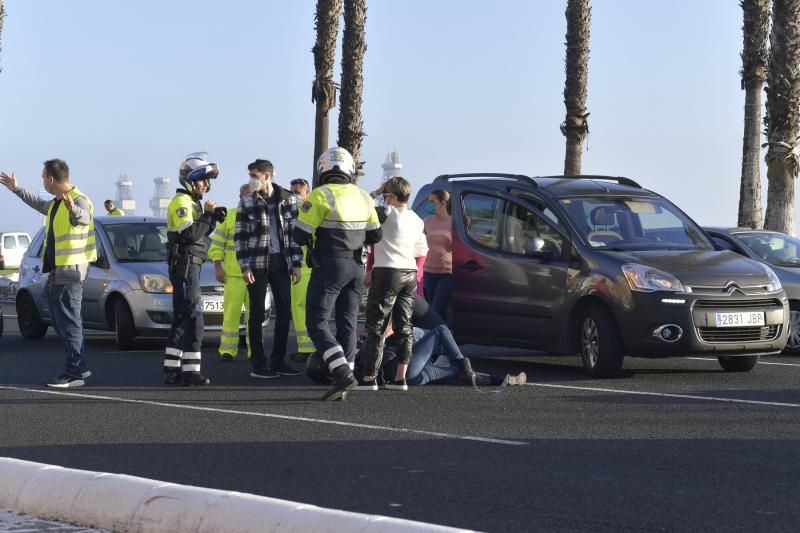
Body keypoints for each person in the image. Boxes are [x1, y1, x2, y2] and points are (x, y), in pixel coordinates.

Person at [293, 147, 382, 401]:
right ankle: (344, 382)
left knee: (317, 322)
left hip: (330, 266)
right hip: (356, 267)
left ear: (323, 169)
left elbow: (299, 235)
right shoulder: (364, 196)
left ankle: (342, 373)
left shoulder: (320, 195)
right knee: (348, 323)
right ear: (350, 170)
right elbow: (376, 235)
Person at [0, 160, 96, 388]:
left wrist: (73, 209)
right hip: (56, 272)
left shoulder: (78, 200)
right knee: (59, 320)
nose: (42, 181)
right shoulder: (55, 204)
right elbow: (37, 203)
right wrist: (16, 189)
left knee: (69, 323)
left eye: (43, 177)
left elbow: (85, 217)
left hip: (71, 273)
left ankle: (74, 372)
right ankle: (80, 365)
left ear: (51, 179)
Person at [235, 159, 303, 379]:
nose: (251, 180)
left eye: (255, 176)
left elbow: (293, 235)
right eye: (250, 176)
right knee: (256, 314)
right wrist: (245, 267)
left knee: (284, 311)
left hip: (281, 262)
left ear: (268, 176)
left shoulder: (288, 199)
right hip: (257, 263)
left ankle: (279, 360)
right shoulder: (247, 202)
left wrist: (296, 264)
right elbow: (240, 237)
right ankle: (259, 364)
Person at [359, 177, 427, 391]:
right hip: (409, 272)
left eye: (387, 195)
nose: (384, 198)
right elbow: (422, 250)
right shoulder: (417, 219)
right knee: (404, 325)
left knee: (376, 325)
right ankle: (400, 378)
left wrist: (376, 191)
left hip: (387, 270)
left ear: (393, 196)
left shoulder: (386, 213)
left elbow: (362, 207)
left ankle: (369, 377)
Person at [163, 152, 222, 386]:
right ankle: (190, 372)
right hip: (186, 266)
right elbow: (189, 235)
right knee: (194, 316)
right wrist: (207, 216)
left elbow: (199, 233)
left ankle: (171, 369)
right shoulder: (182, 203)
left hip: (189, 265)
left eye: (207, 181)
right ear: (189, 181)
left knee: (180, 316)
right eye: (202, 180)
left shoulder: (192, 203)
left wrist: (211, 218)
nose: (206, 185)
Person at [381, 324, 527, 387]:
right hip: (403, 369)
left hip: (415, 377)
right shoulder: (416, 332)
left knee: (460, 373)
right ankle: (465, 367)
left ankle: (501, 380)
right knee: (441, 330)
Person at [209, 184, 252, 362]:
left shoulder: (261, 216)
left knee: (254, 317)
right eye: (245, 195)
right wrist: (218, 267)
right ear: (240, 196)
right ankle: (227, 351)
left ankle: (254, 351)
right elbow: (217, 245)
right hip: (233, 275)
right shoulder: (230, 217)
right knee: (231, 315)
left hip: (255, 275)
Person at [287, 178, 315, 363]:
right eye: (293, 191)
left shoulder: (306, 211)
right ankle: (307, 347)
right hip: (299, 266)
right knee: (301, 308)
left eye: (299, 191)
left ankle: (307, 348)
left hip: (305, 266)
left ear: (307, 192)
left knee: (301, 307)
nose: (295, 195)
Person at [422, 189, 453, 321]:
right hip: (428, 272)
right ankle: (440, 337)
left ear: (442, 203)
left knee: (437, 309)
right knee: (431, 310)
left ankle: (437, 339)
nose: (428, 204)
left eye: (432, 202)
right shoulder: (427, 221)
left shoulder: (454, 222)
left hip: (447, 274)